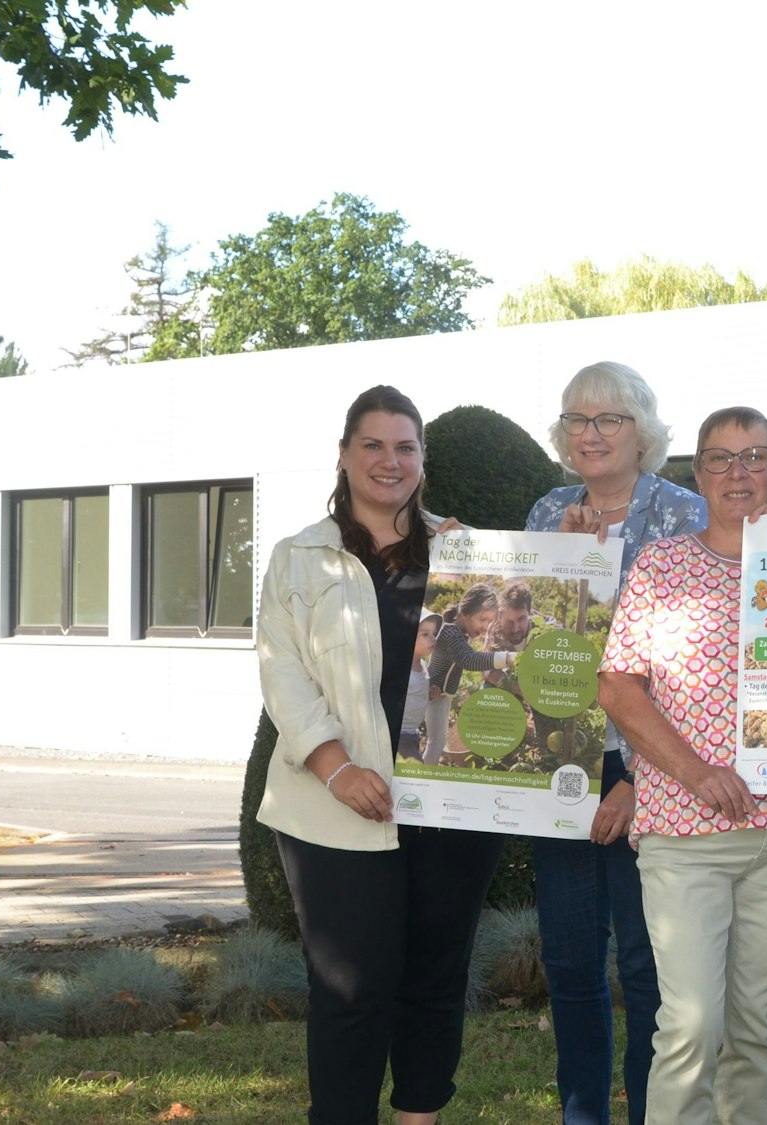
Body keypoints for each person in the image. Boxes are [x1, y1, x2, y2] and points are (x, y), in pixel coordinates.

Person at [255, 384, 509, 1125]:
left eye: (405, 447)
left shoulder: (466, 554)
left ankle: (419, 1117)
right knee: (348, 988)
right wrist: (336, 767)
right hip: (333, 804)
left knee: (435, 977)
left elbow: (519, 638)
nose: (388, 460)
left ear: (423, 460)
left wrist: (515, 559)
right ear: (344, 454)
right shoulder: (299, 558)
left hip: (449, 802)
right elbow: (283, 676)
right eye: (372, 444)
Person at [597, 405, 767, 1125]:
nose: (739, 473)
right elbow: (618, 686)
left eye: (756, 456)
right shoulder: (662, 565)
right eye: (721, 459)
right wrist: (697, 772)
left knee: (757, 1029)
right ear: (698, 475)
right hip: (684, 830)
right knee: (691, 1025)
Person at [524, 360, 707, 1125]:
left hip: (653, 763)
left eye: (609, 419)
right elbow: (530, 647)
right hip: (562, 761)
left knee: (644, 963)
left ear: (642, 432)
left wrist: (636, 775)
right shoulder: (547, 512)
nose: (590, 433)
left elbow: (694, 660)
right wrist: (563, 567)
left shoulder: (686, 514)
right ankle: (583, 1114)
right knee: (570, 960)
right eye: (578, 419)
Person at [424, 584, 507, 762]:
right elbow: (470, 659)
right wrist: (507, 658)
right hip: (432, 693)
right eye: (483, 619)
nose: (485, 627)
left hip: (439, 693)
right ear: (466, 612)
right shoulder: (450, 634)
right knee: (435, 742)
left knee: (438, 741)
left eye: (489, 622)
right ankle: (422, 772)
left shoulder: (459, 632)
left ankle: (425, 769)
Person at [397, 612, 441, 761]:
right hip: (401, 736)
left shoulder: (421, 664)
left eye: (434, 633)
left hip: (412, 733)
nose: (433, 638)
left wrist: (427, 695)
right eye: (425, 634)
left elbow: (413, 695)